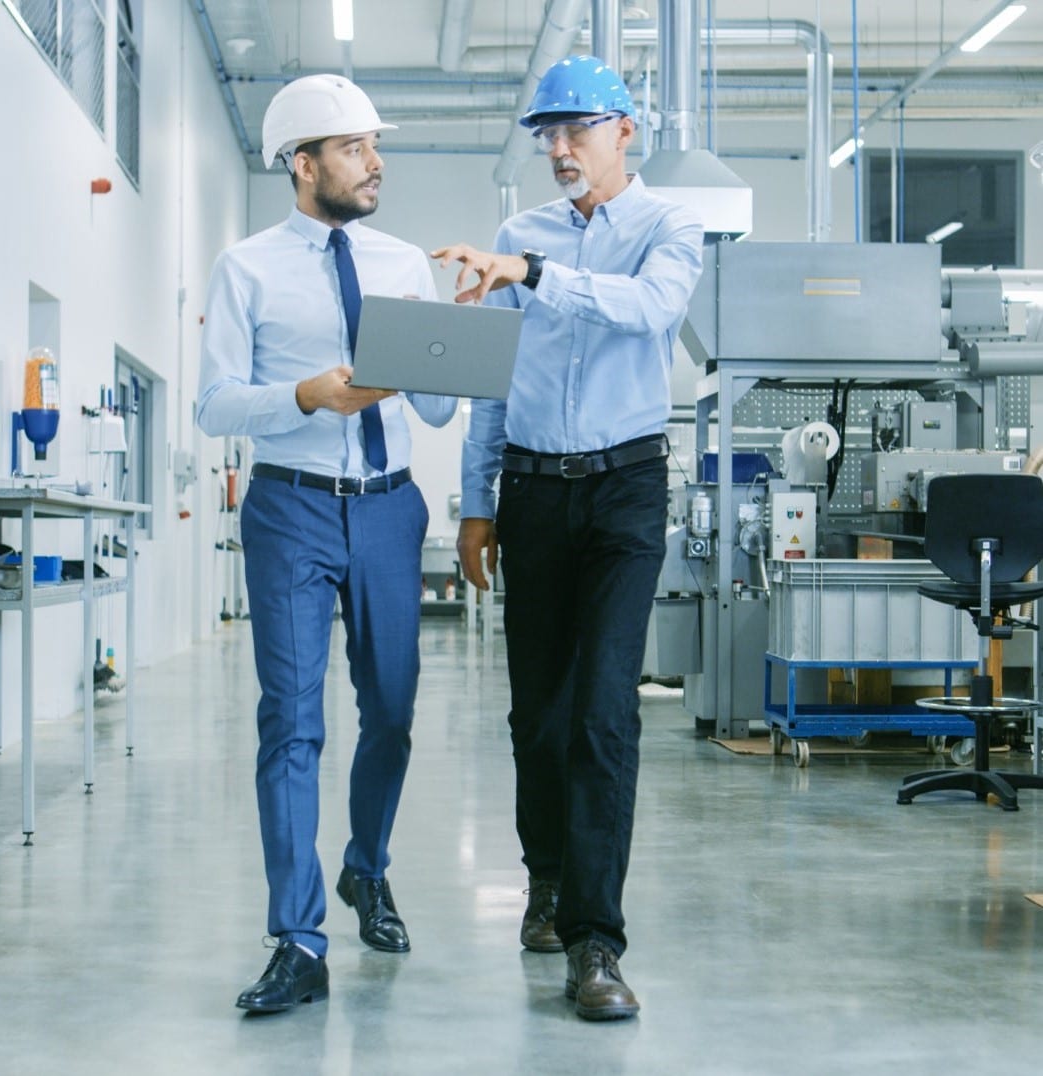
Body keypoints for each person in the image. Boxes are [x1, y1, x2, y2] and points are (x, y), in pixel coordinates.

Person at [432, 55, 703, 1022]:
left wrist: (542, 274)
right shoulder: (519, 233)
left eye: (575, 129)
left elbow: (651, 312)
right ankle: (545, 882)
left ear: (624, 130)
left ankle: (596, 940)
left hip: (628, 489)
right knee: (537, 714)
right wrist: (475, 504)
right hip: (535, 491)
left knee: (603, 714)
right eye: (546, 133)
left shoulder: (669, 226)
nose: (558, 148)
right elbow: (493, 381)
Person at [197, 73, 456, 1015]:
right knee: (292, 724)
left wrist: (452, 344)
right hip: (291, 507)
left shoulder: (401, 263)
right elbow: (214, 403)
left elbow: (433, 405)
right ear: (303, 166)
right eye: (354, 148)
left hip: (389, 506)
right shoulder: (248, 268)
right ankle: (298, 936)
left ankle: (366, 868)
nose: (375, 161)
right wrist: (305, 395)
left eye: (374, 145)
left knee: (390, 711)